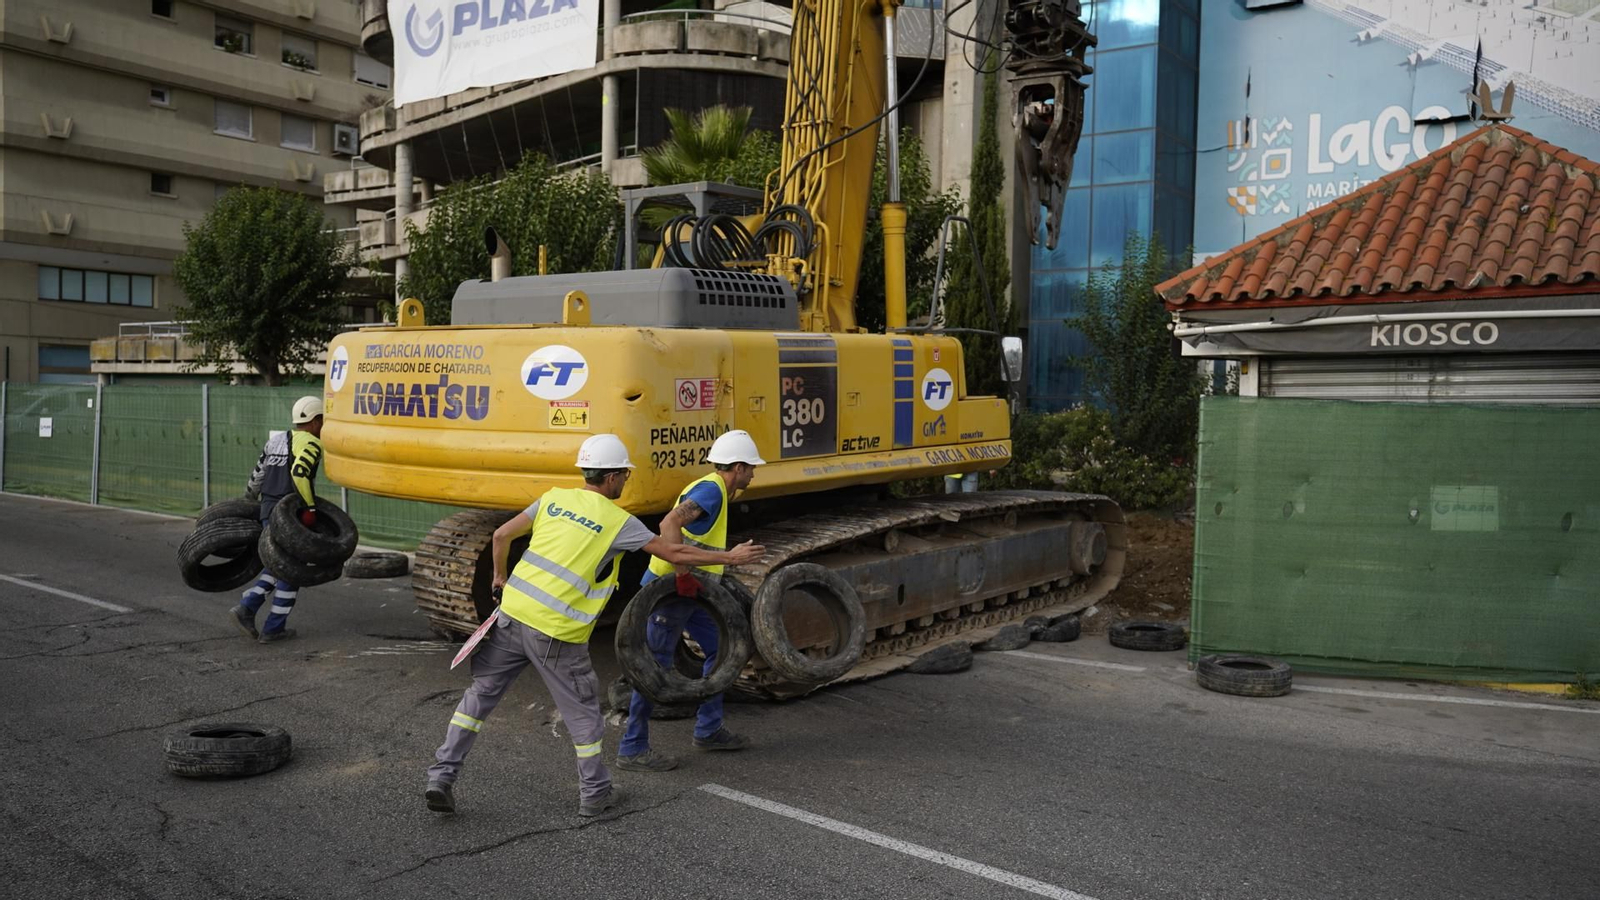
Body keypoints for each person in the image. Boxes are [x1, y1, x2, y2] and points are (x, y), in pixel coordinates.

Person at [423, 434, 765, 818]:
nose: (625, 481)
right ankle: (595, 794)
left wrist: (499, 578)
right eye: (625, 475)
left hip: (510, 618)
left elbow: (502, 535)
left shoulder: (555, 498)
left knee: (478, 699)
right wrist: (729, 558)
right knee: (583, 715)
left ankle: (441, 776)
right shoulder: (618, 521)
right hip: (555, 633)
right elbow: (672, 549)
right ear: (615, 477)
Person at [616, 429, 765, 773]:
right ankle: (633, 747)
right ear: (738, 467)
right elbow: (669, 524)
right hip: (671, 590)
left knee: (724, 650)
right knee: (652, 666)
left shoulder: (716, 491)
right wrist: (684, 572)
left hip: (693, 590)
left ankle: (709, 729)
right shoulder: (710, 492)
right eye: (751, 468)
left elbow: (694, 538)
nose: (754, 474)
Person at [233, 395, 324, 644]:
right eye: (323, 420)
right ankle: (270, 626)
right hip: (289, 515)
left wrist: (249, 501)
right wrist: (310, 508)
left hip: (267, 510)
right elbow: (300, 473)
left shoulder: (275, 441)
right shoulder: (312, 444)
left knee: (278, 566)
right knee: (291, 571)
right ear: (315, 421)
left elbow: (257, 476)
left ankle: (248, 609)